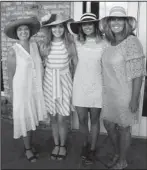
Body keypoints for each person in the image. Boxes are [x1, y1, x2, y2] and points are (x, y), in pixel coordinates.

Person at [99, 6, 146, 169]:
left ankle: (122, 160)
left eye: (120, 19)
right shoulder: (109, 43)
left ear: (126, 23)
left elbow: (139, 74)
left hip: (125, 94)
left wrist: (134, 99)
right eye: (113, 19)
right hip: (109, 94)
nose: (116, 22)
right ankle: (118, 152)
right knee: (109, 124)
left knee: (124, 128)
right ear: (109, 23)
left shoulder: (132, 42)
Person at [4, 16, 47, 162]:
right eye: (20, 30)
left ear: (30, 32)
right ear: (17, 34)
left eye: (26, 29)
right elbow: (10, 75)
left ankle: (30, 144)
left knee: (32, 119)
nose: (23, 32)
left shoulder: (35, 46)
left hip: (34, 91)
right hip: (22, 92)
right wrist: (12, 95)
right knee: (25, 120)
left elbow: (41, 63)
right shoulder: (13, 51)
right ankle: (28, 149)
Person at [68, 13, 108, 164]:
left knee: (95, 120)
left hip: (97, 85)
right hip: (80, 85)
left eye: (90, 24)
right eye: (84, 24)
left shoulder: (104, 42)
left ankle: (92, 149)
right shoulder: (76, 42)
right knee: (82, 120)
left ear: (95, 25)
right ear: (81, 27)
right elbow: (71, 61)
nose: (87, 26)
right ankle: (85, 145)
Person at [39, 13, 77, 160]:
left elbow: (76, 65)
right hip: (49, 82)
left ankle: (62, 145)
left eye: (60, 26)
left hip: (64, 81)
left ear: (64, 28)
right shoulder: (45, 45)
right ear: (50, 30)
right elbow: (41, 65)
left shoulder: (69, 44)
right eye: (54, 27)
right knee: (53, 118)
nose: (57, 30)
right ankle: (56, 144)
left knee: (62, 118)